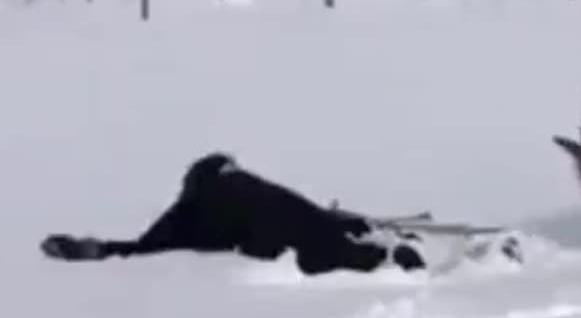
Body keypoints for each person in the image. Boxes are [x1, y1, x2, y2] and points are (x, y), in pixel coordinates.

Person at [39, 152, 493, 276]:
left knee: (326, 233)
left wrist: (95, 250)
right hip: (311, 243)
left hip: (307, 236)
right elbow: (141, 250)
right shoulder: (198, 210)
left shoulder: (194, 209)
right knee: (328, 238)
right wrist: (92, 250)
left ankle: (393, 252)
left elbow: (141, 249)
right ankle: (396, 255)